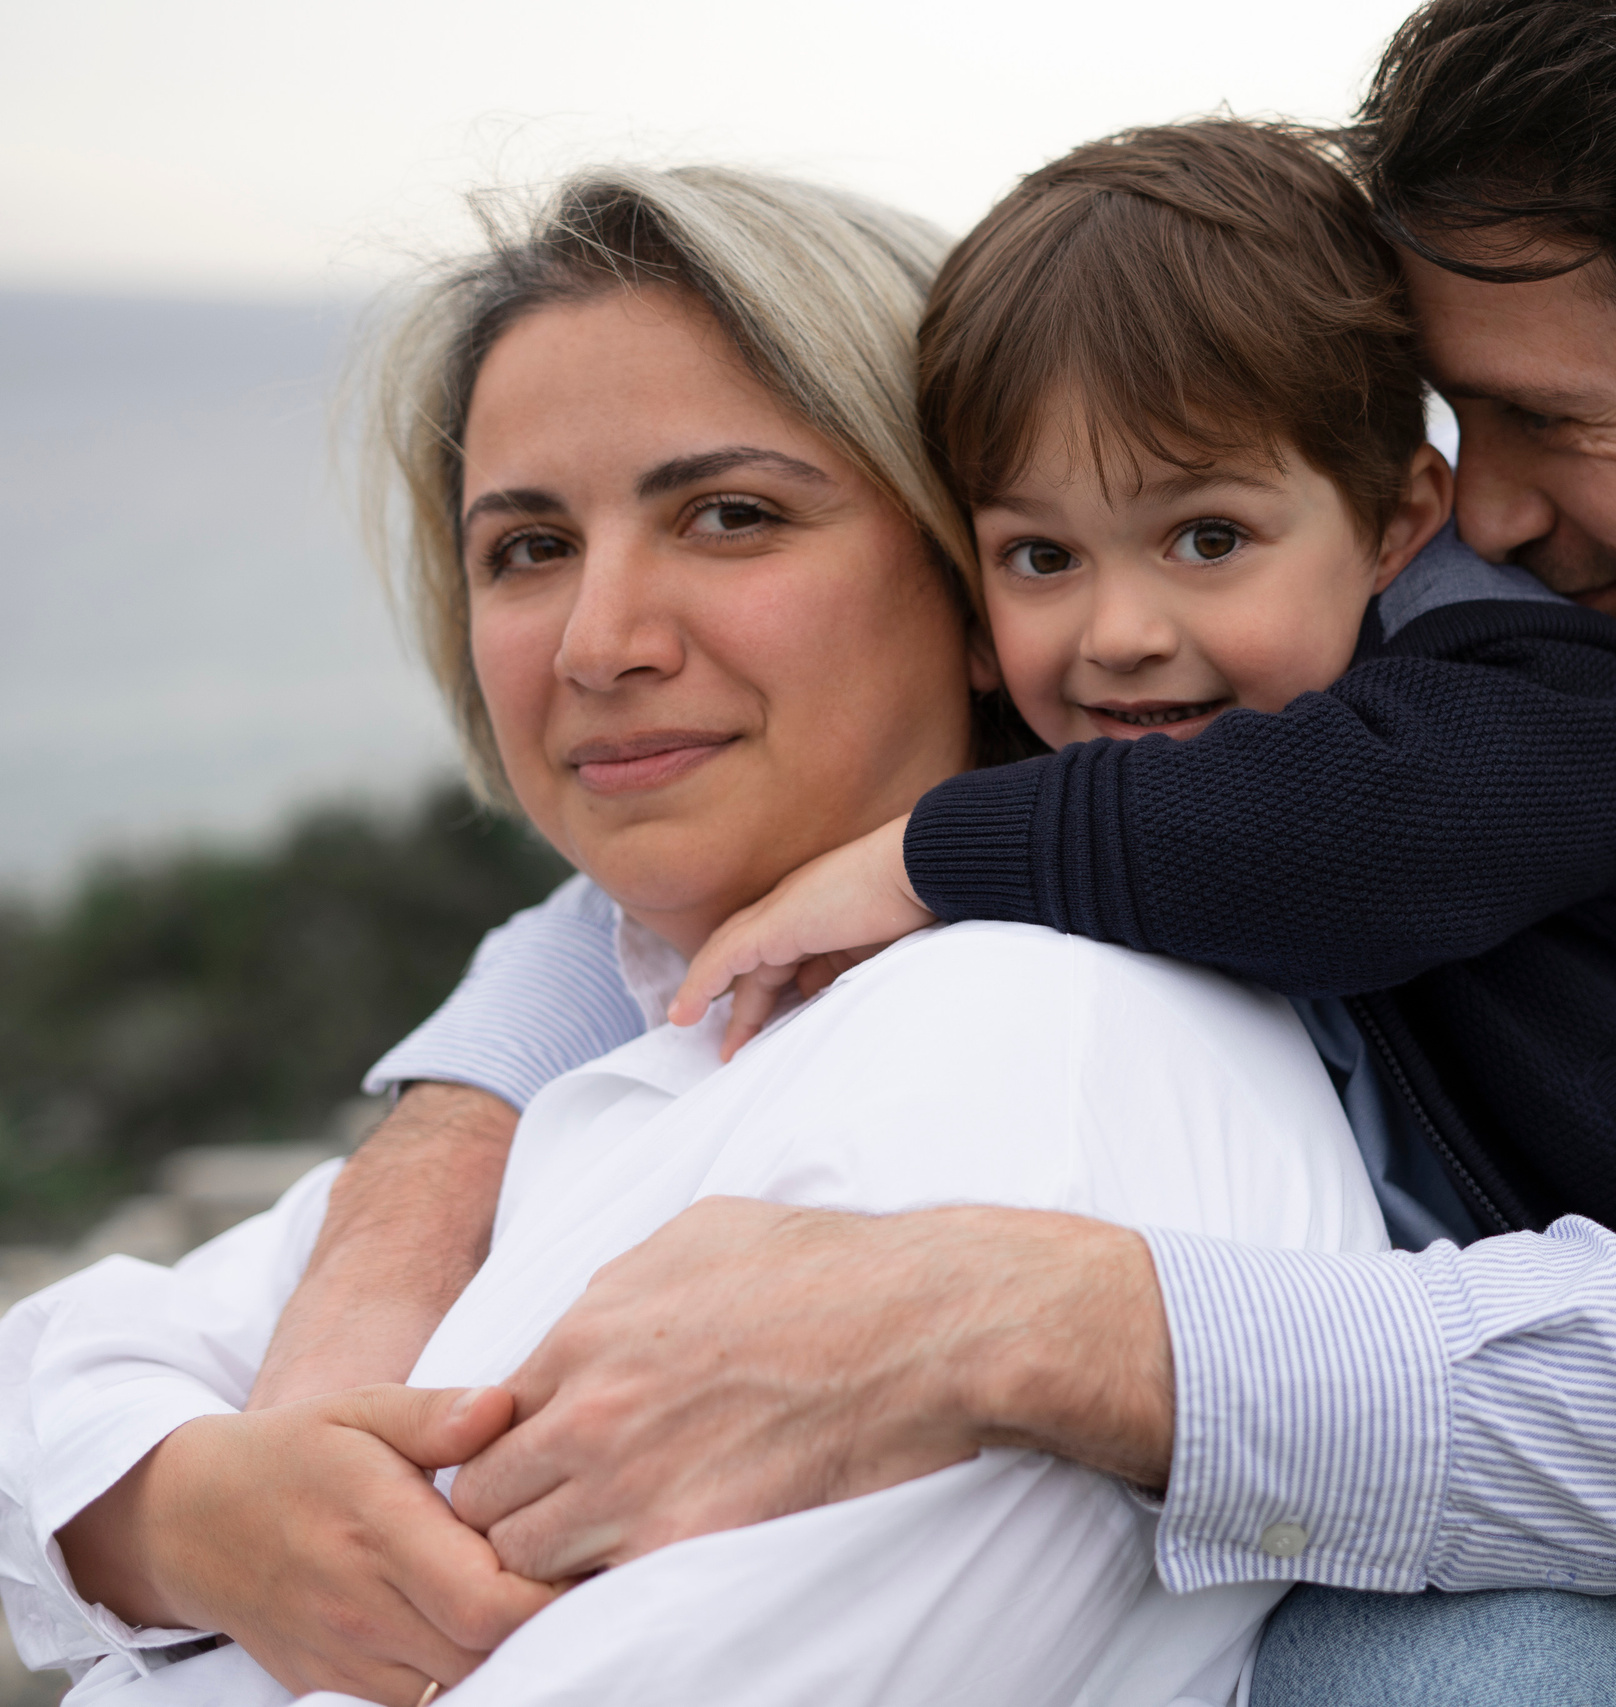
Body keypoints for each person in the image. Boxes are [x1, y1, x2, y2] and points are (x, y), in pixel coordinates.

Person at [190, 5, 1616, 1707]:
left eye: (1547, 427)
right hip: (1496, 1433)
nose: (1471, 515)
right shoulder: (1417, 591)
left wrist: (986, 1289)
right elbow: (699, 847)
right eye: (1451, 430)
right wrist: (445, 1147)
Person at [0, 164, 1388, 1707]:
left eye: (730, 517)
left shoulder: (1037, 1049)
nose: (602, 643)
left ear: (981, 568)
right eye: (527, 547)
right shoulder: (645, 1038)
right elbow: (51, 1375)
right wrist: (181, 1514)